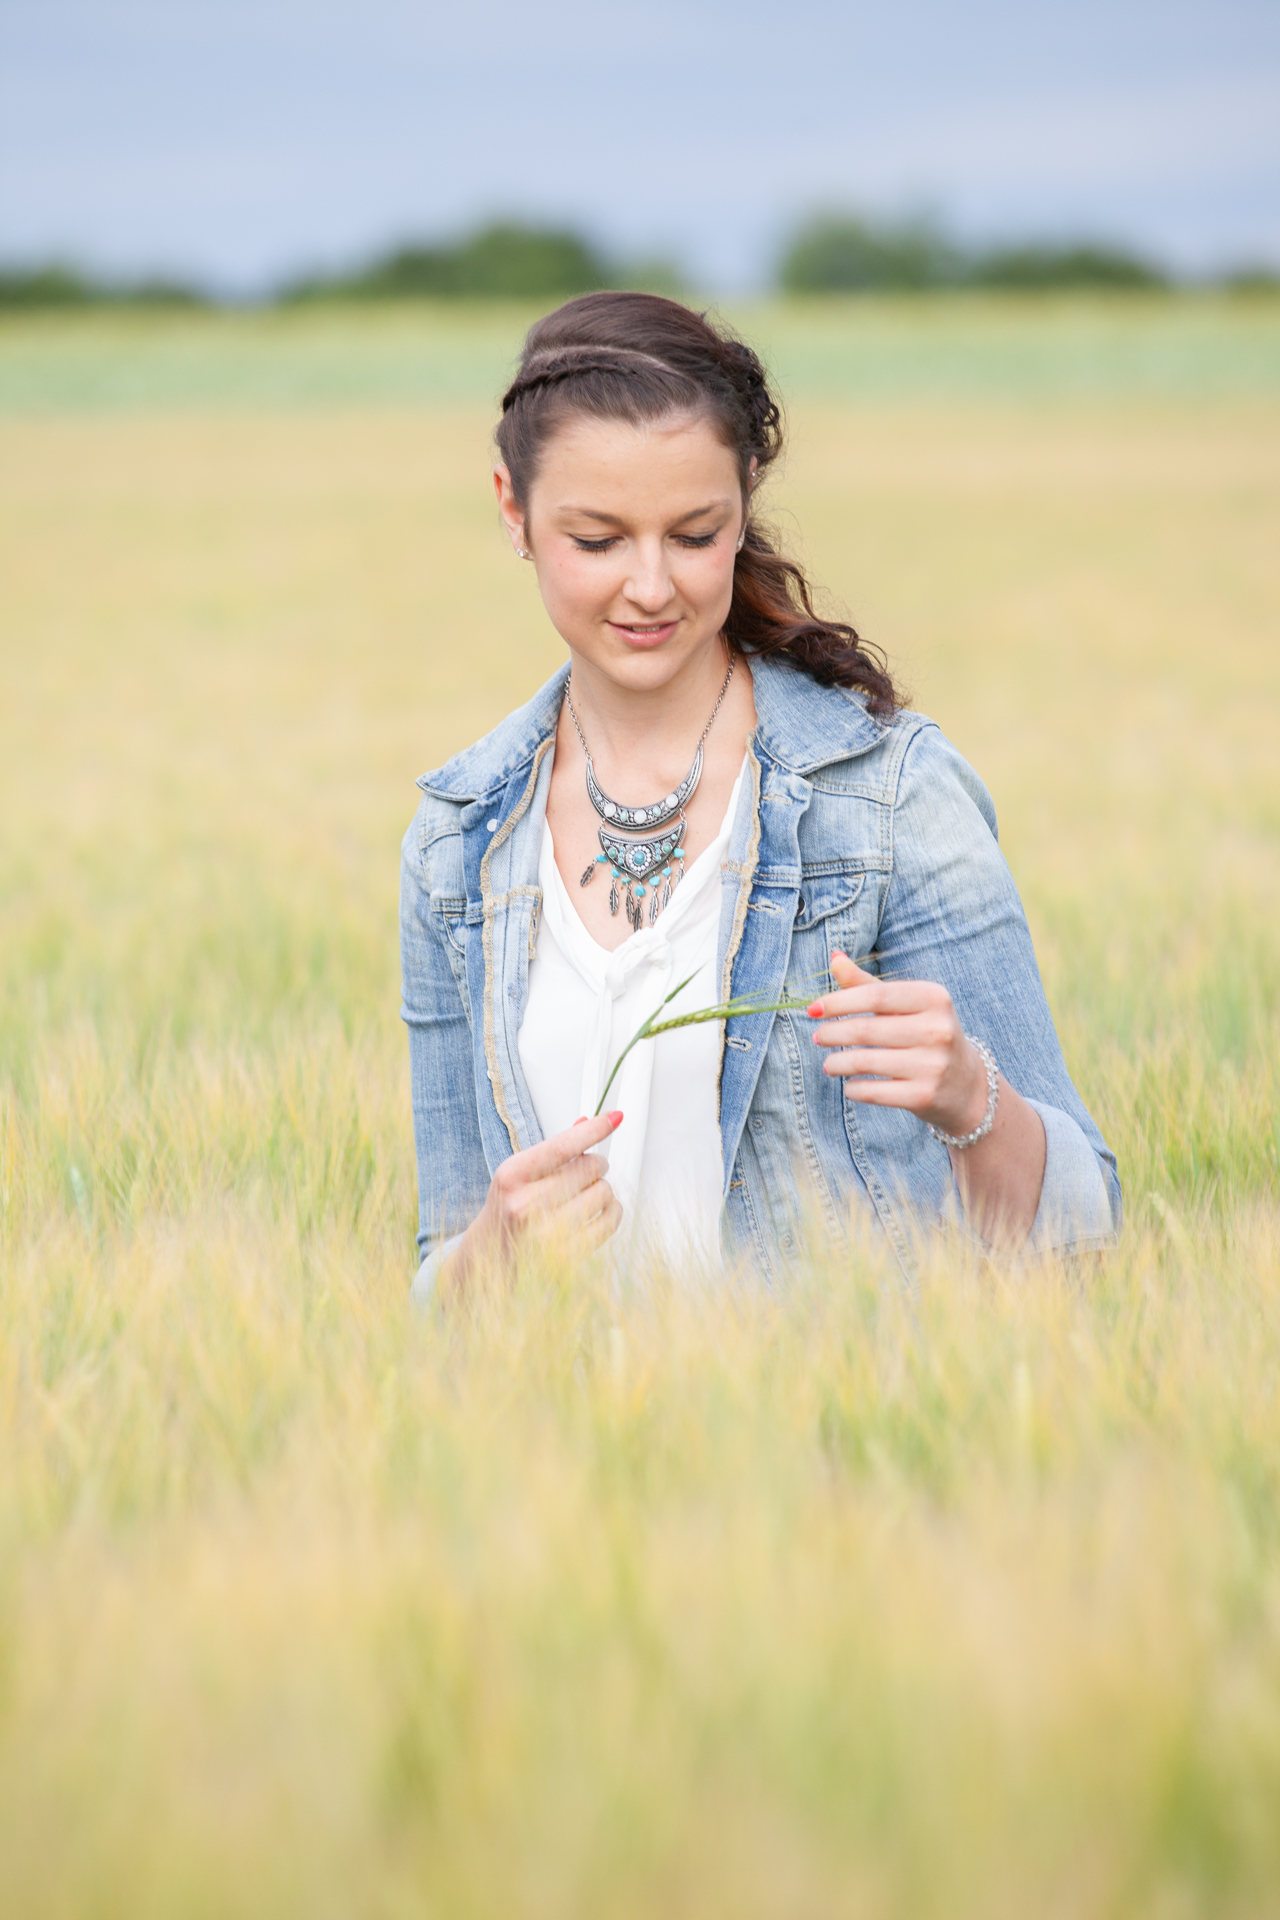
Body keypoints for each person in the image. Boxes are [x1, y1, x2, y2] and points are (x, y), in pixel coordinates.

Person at [400, 292, 1120, 1300]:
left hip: (830, 1443)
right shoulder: (454, 842)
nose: (649, 587)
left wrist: (971, 1100)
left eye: (693, 535)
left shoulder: (887, 795)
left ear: (744, 499)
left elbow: (1086, 1230)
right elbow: (438, 1288)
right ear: (512, 511)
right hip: (553, 1452)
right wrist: (495, 1249)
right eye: (597, 541)